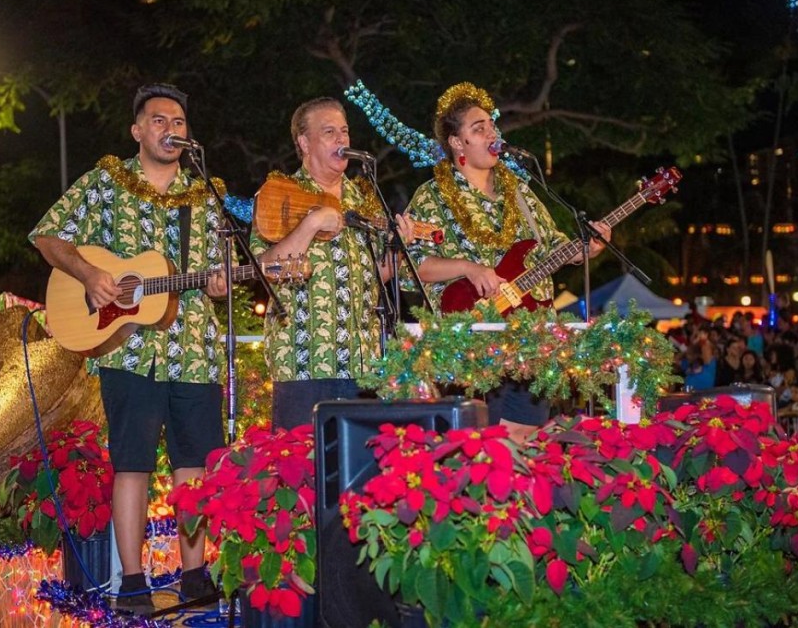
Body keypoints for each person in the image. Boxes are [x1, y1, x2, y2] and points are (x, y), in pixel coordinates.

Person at [30, 83, 226, 615]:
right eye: (160, 120)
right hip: (127, 349)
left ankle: (194, 574)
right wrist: (92, 274)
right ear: (138, 131)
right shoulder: (106, 183)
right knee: (132, 464)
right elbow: (49, 237)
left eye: (180, 121)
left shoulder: (205, 194)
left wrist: (220, 284)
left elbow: (220, 276)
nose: (172, 129)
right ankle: (133, 582)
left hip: (195, 349)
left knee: (195, 466)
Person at [403, 82, 611, 443]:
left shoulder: (521, 192)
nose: (491, 134)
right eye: (478, 128)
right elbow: (413, 267)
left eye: (492, 126)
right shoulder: (432, 197)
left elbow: (554, 247)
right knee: (482, 446)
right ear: (456, 142)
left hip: (530, 341)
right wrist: (469, 268)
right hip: (472, 342)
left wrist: (586, 249)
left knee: (526, 443)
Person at [250, 97, 414, 430]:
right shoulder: (279, 194)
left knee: (360, 471)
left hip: (362, 361)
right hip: (303, 360)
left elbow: (374, 276)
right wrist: (310, 224)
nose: (342, 140)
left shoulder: (365, 200)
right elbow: (264, 269)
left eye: (344, 131)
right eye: (329, 132)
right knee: (303, 470)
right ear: (304, 143)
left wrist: (399, 248)